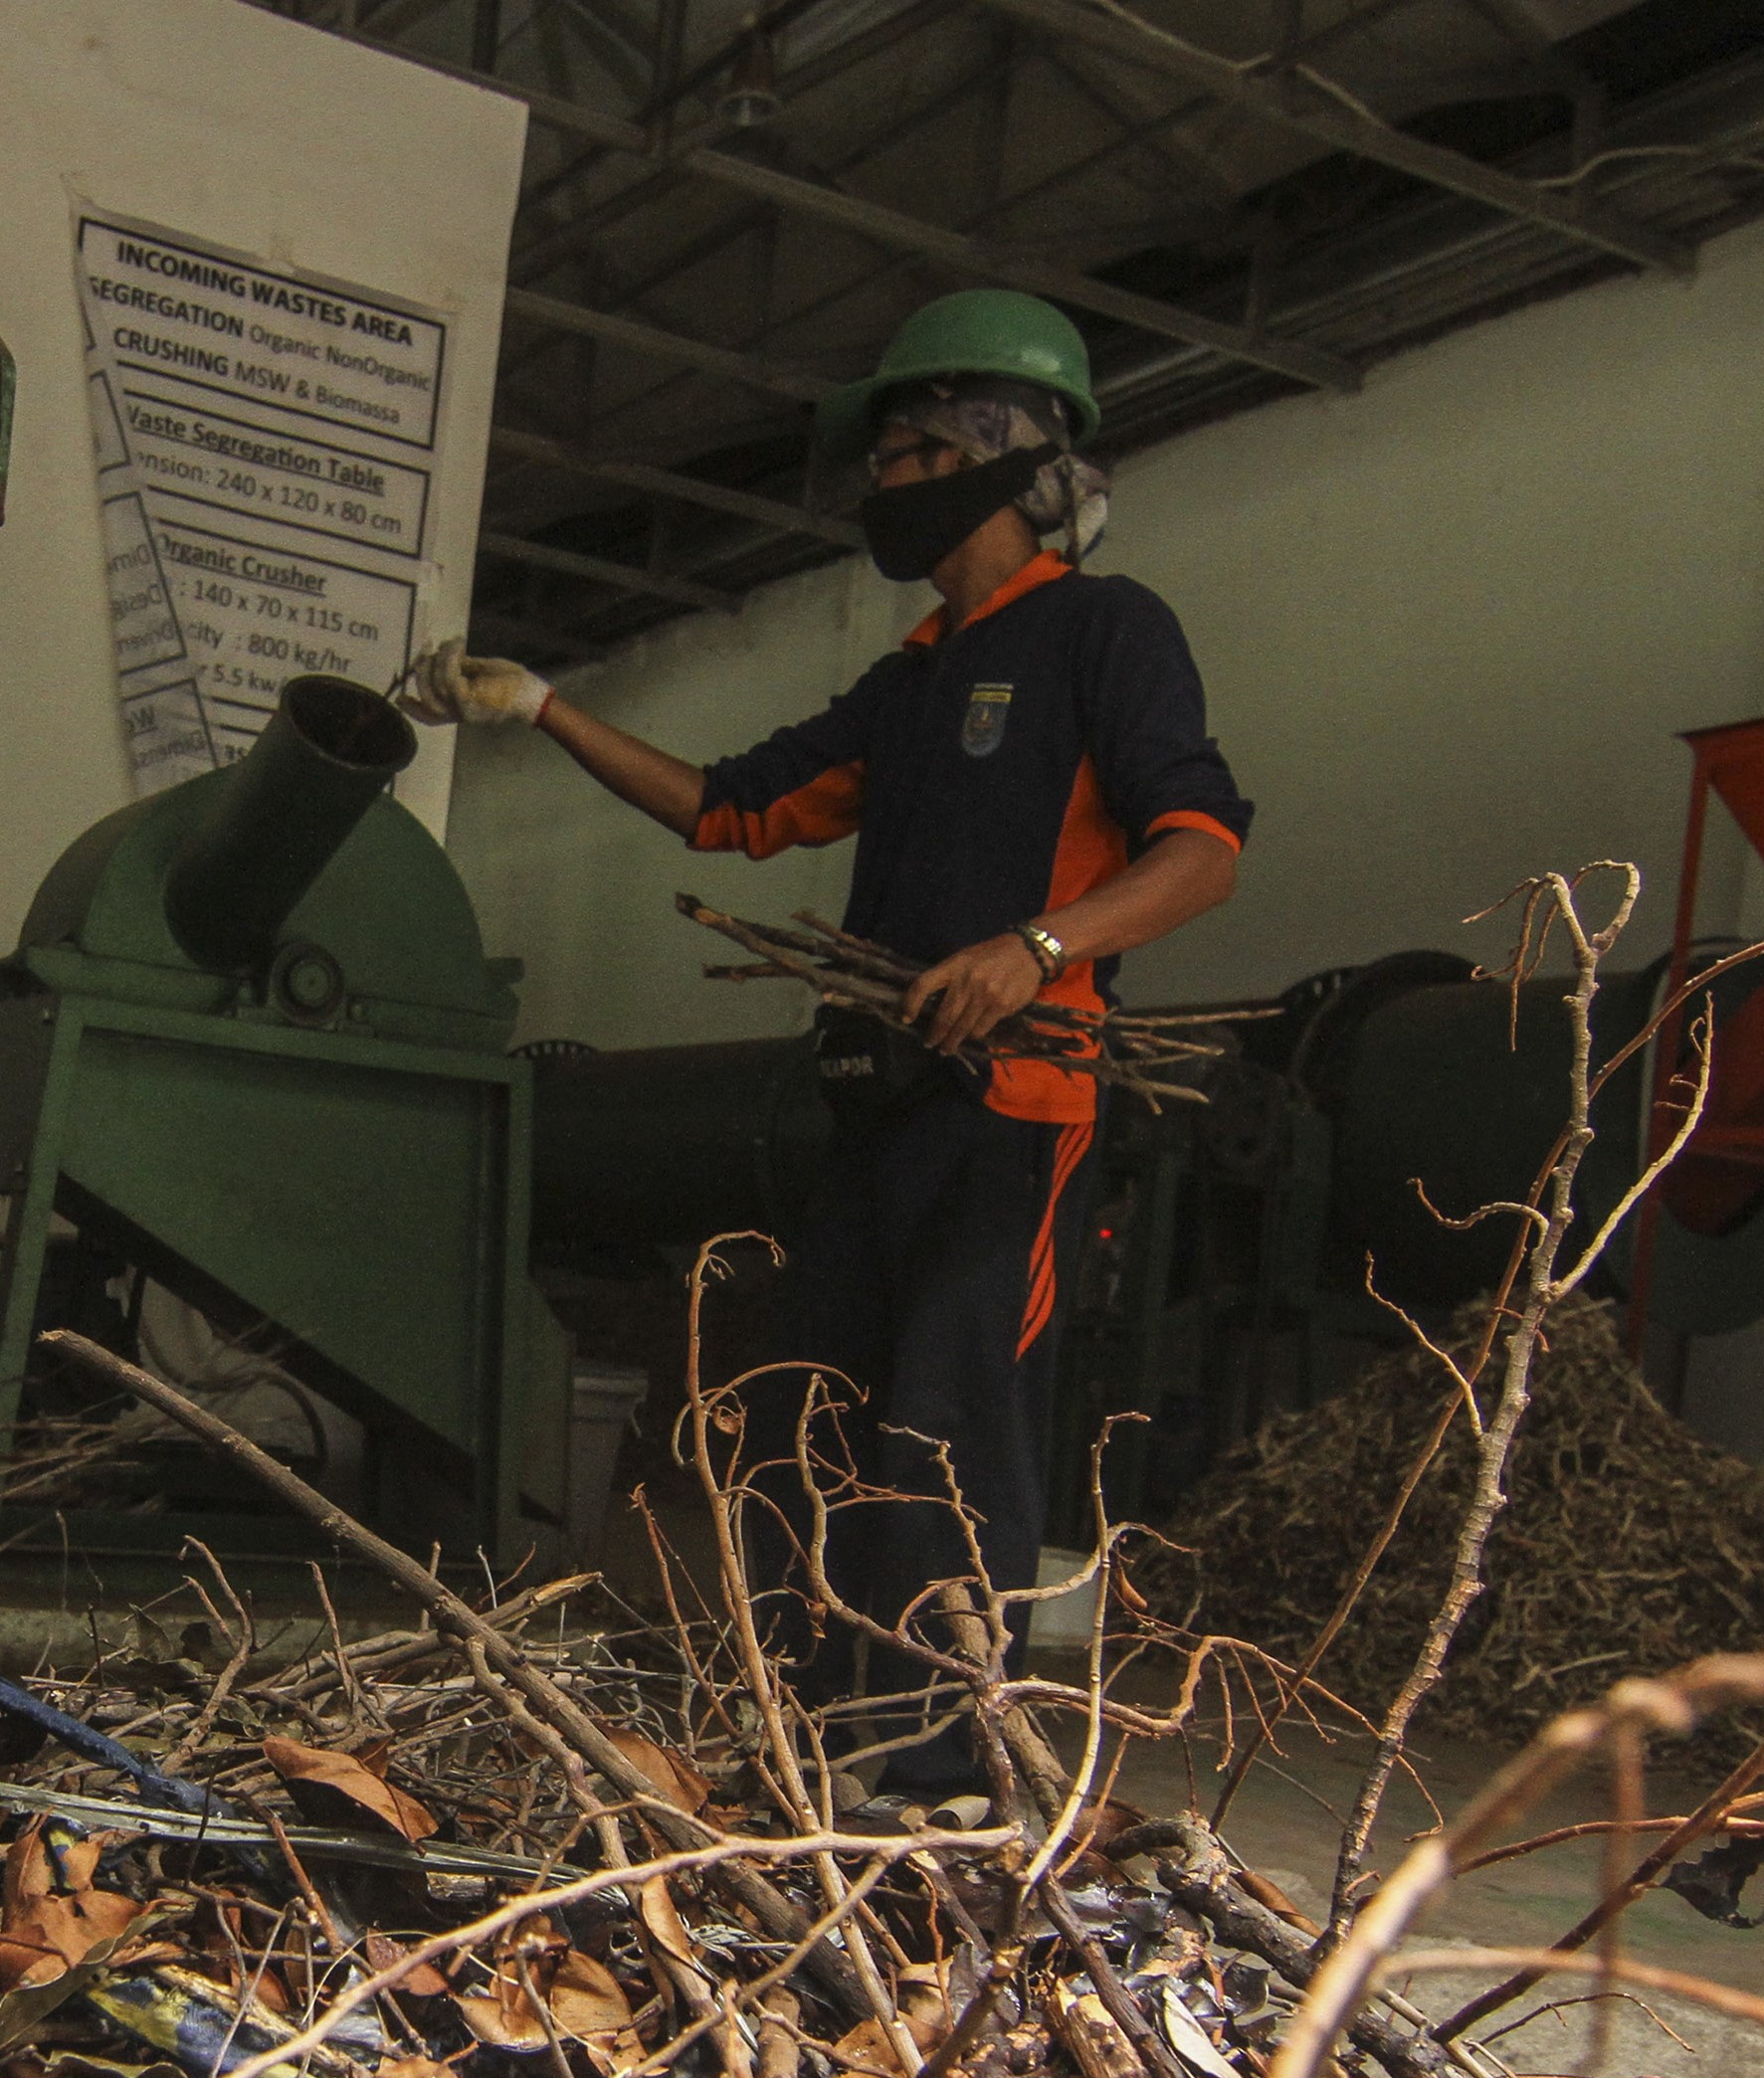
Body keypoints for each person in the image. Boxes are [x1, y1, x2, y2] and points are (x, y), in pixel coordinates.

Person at [407, 289, 1251, 1808]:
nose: (887, 484)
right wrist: (542, 708)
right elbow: (731, 809)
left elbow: (1202, 848)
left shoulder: (1104, 634)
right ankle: (820, 1742)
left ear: (1005, 453)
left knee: (945, 1424)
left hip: (1021, 1105)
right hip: (881, 1104)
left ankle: (936, 1771)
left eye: (917, 450)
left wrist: (1039, 946)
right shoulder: (917, 674)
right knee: (821, 1419)